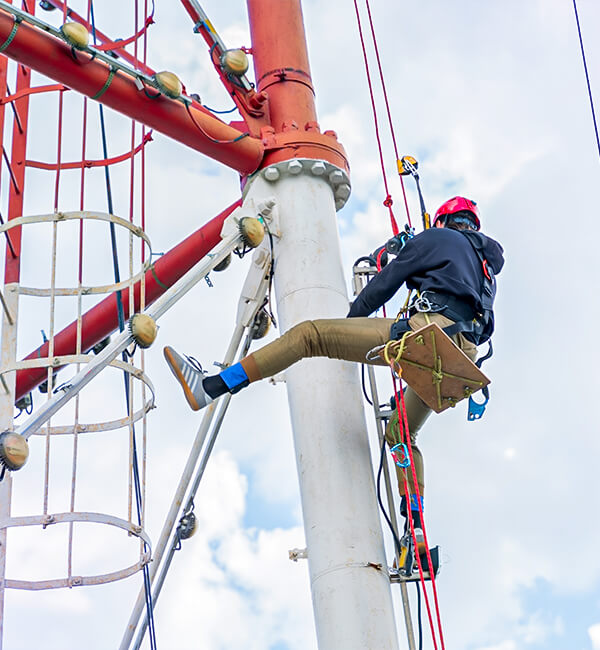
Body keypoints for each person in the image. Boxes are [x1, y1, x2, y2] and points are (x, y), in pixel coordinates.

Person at [164, 196, 504, 542]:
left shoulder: (436, 238)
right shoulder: (486, 267)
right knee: (402, 433)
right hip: (461, 361)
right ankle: (413, 529)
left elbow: (385, 283)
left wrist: (348, 327)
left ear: (443, 220)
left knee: (310, 336)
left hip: (426, 334)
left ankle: (214, 385)